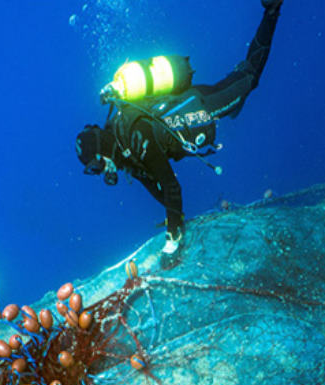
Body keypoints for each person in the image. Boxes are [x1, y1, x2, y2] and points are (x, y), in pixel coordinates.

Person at [75, 0, 284, 256]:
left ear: (101, 154)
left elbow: (170, 184)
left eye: (95, 167)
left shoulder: (135, 136)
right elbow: (152, 183)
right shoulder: (125, 150)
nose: (101, 172)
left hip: (198, 107)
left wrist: (173, 238)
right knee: (243, 78)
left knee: (249, 78)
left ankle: (271, 11)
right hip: (187, 113)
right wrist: (174, 214)